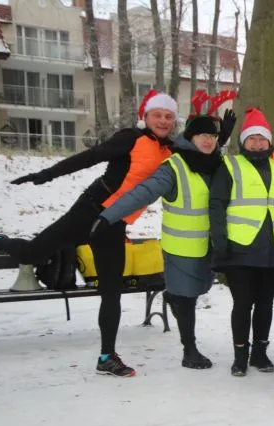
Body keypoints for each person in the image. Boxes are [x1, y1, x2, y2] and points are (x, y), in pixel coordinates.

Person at [0, 89, 178, 377]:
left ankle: (107, 357)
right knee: (31, 254)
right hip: (88, 212)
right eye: (157, 115)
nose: (163, 121)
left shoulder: (171, 151)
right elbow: (92, 156)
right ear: (146, 117)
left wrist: (218, 136)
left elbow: (200, 155)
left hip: (114, 225)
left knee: (111, 292)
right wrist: (47, 174)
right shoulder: (130, 138)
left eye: (168, 116)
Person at [91, 90, 236, 371]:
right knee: (188, 299)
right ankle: (189, 350)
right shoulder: (173, 167)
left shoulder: (215, 163)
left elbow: (211, 160)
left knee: (196, 291)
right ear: (190, 137)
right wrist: (108, 217)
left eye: (213, 136)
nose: (208, 140)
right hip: (181, 249)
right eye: (202, 135)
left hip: (208, 247)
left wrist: (222, 140)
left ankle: (175, 300)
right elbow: (142, 193)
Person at [210, 108, 274, 376]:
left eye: (262, 139)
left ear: (269, 142)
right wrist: (220, 241)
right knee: (242, 303)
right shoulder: (230, 165)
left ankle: (260, 353)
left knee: (265, 304)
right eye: (252, 139)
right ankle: (240, 355)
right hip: (239, 248)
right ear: (243, 141)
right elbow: (217, 205)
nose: (258, 144)